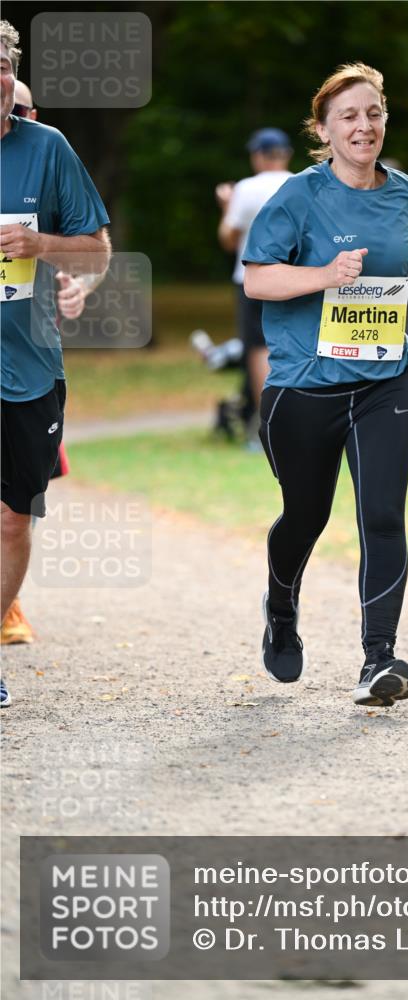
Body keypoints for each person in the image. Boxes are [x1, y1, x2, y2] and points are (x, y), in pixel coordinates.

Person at [243, 63, 408, 706]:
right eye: (348, 117)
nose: (363, 126)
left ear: (384, 119)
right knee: (305, 517)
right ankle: (281, 608)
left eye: (373, 113)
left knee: (383, 514)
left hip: (386, 379)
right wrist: (324, 275)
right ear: (324, 130)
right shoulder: (297, 197)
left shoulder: (406, 192)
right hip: (306, 384)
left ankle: (379, 660)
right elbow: (258, 279)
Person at [0, 22, 111, 706]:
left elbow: (97, 251)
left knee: (13, 519)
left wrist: (42, 246)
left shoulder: (48, 149)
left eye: (1, 64)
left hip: (27, 369)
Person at [216, 129, 293, 443]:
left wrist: (226, 206)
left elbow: (229, 239)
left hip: (252, 279)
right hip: (295, 277)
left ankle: (266, 423)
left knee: (259, 349)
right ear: (286, 153)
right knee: (293, 346)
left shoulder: (246, 189)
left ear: (260, 155)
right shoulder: (303, 183)